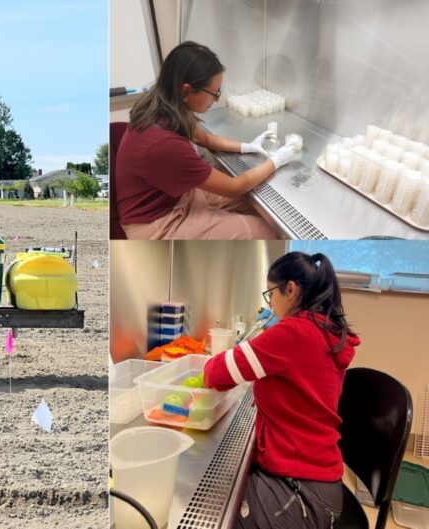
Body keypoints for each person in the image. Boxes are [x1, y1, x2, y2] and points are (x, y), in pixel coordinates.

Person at [203, 252, 359, 528]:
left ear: (291, 289)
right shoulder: (325, 331)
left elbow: (216, 374)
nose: (271, 304)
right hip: (320, 477)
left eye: (271, 294)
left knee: (216, 516)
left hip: (301, 492)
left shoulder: (293, 333)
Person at [115, 41, 303, 239]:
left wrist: (247, 147)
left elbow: (204, 138)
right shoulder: (164, 144)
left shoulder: (166, 104)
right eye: (214, 93)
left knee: (254, 203)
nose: (217, 99)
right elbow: (234, 187)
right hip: (157, 224)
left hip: (173, 197)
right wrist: (277, 160)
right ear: (187, 91)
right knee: (265, 231)